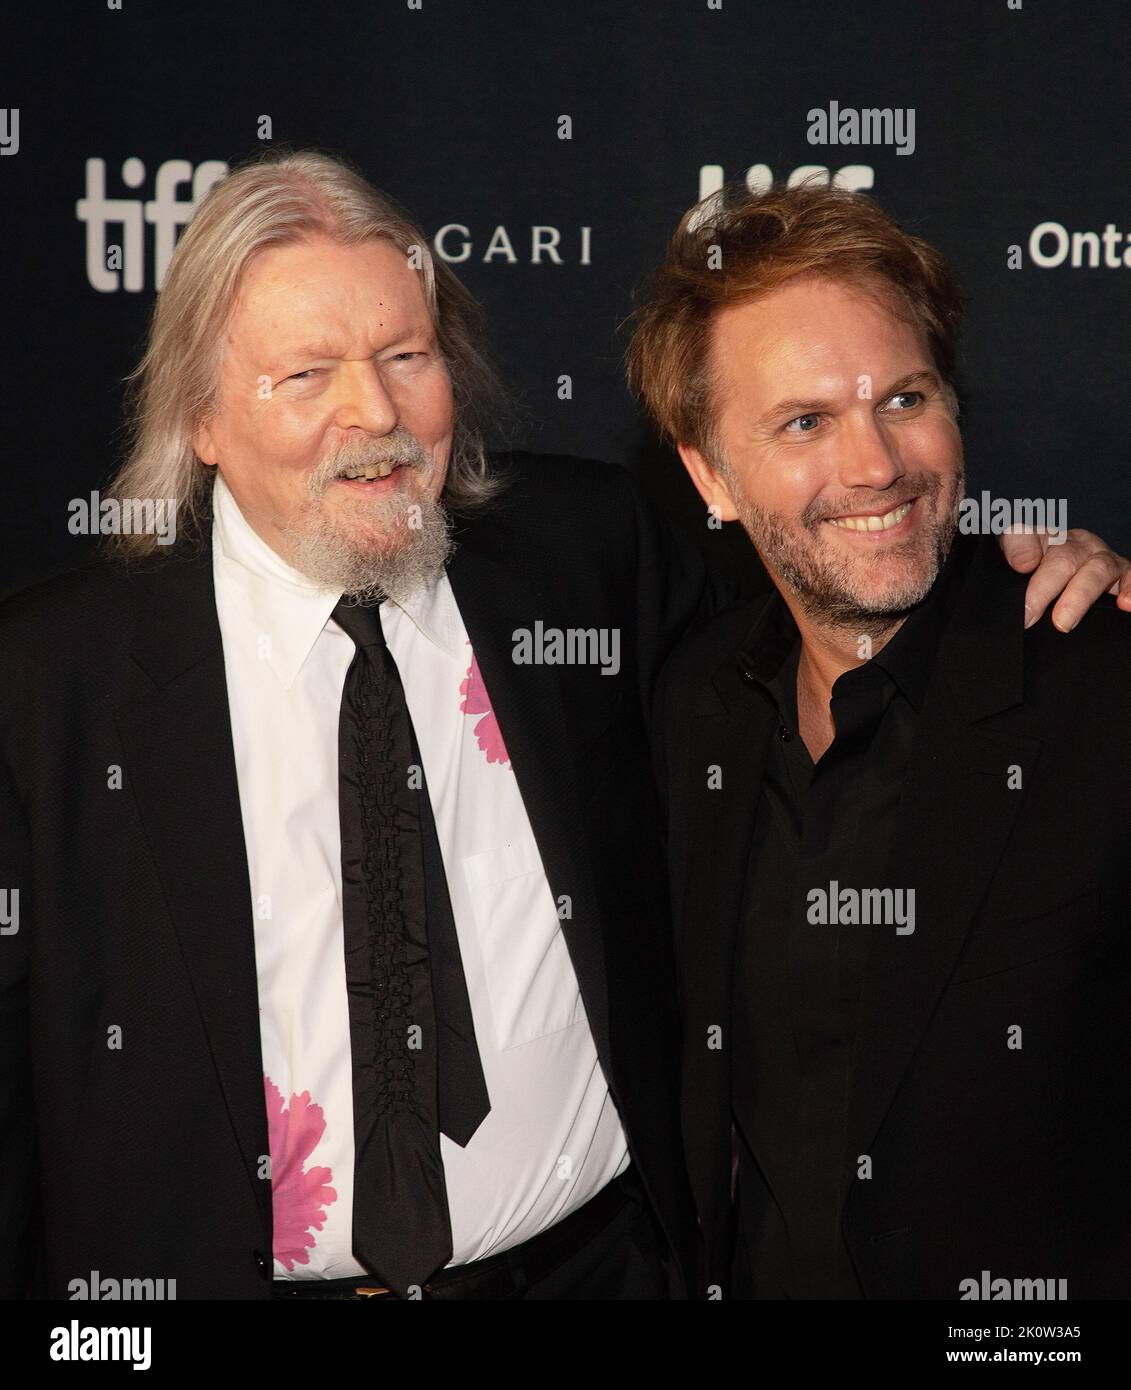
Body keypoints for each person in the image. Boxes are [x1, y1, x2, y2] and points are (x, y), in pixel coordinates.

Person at [0, 151, 1123, 1301]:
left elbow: (838, 564)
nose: (374, 412)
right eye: (305, 374)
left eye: (407, 355)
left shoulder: (584, 558)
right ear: (199, 415)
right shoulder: (50, 689)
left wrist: (1052, 576)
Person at [630, 181, 1131, 1299]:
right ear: (709, 474)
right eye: (805, 421)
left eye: (904, 399)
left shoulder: (1099, 678)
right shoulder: (691, 707)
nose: (875, 467)